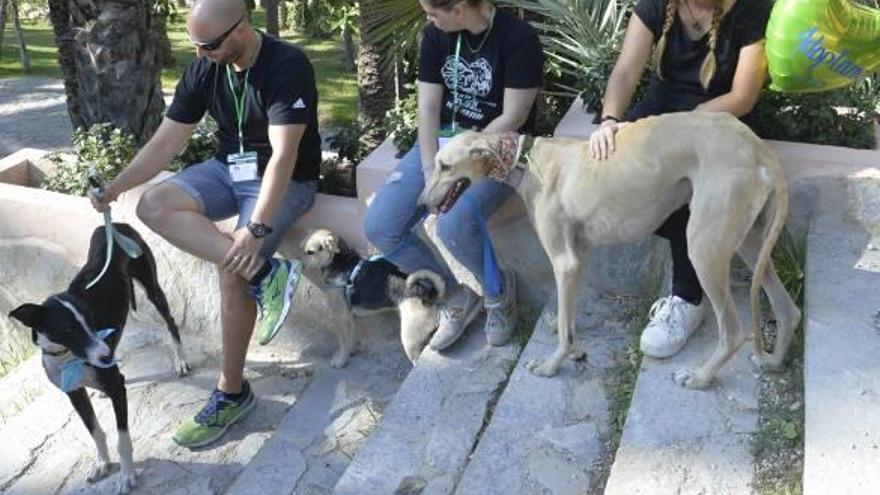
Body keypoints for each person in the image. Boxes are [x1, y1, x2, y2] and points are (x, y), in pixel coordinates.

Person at [89, 0, 321, 448]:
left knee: (231, 268)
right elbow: (166, 142)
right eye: (195, 44)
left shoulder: (287, 65)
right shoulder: (205, 67)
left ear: (241, 29)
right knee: (154, 205)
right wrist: (116, 187)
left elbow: (284, 157)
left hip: (283, 179)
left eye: (209, 45)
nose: (200, 54)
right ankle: (268, 275)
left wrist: (254, 231)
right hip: (225, 171)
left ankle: (231, 392)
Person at [589, 0, 772, 358]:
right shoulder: (658, 5)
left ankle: (688, 296)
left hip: (719, 120)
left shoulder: (752, 9)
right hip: (662, 111)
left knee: (688, 183)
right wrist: (610, 120)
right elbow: (626, 71)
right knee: (609, 169)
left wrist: (677, 132)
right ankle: (702, 256)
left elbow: (743, 97)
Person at [364, 0, 543, 351]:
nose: (428, 20)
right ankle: (455, 296)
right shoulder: (435, 36)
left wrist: (459, 168)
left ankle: (497, 293)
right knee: (381, 225)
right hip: (442, 149)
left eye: (433, 12)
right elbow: (429, 107)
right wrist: (434, 169)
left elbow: (513, 117)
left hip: (493, 148)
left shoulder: (518, 38)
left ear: (460, 9)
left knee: (454, 222)